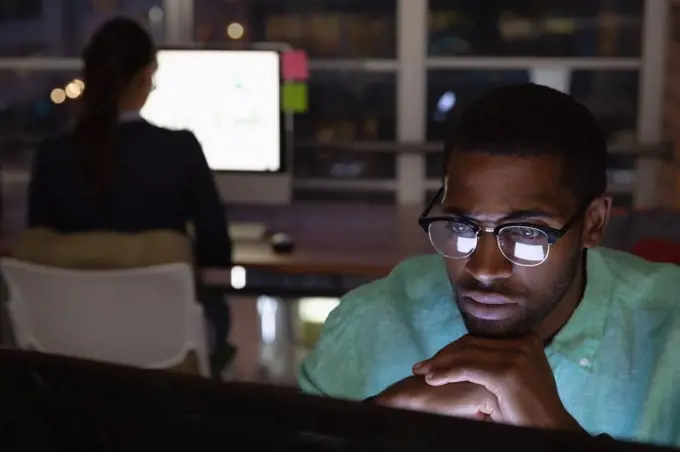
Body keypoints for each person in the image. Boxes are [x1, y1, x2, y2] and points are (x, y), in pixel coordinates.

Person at [299, 83, 680, 446]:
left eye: (528, 234)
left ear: (593, 222)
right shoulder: (370, 321)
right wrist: (381, 418)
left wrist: (556, 436)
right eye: (462, 226)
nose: (483, 268)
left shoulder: (671, 335)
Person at [27, 17, 234, 377]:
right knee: (217, 310)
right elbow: (218, 251)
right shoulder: (179, 150)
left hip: (70, 346)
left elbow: (40, 244)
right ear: (146, 76)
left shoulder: (51, 156)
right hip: (163, 346)